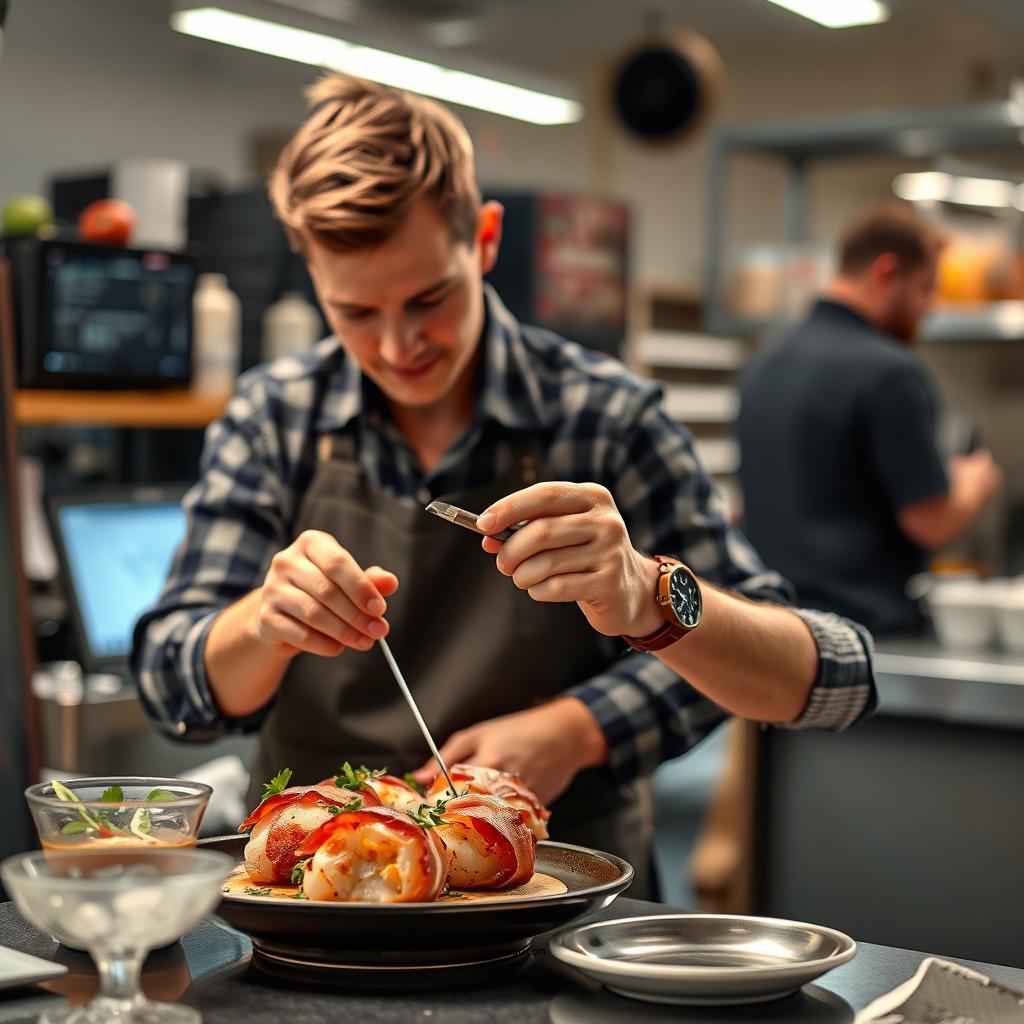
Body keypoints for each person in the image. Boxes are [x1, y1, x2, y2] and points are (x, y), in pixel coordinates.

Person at [132, 72, 876, 900]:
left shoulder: (604, 416)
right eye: (356, 312)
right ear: (311, 277)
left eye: (429, 297)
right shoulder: (274, 420)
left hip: (562, 923)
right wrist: (259, 626)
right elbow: (171, 688)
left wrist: (604, 683)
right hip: (318, 922)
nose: (398, 344)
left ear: (484, 240)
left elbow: (831, 678)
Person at [736, 203, 1002, 636]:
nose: (928, 308)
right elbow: (930, 522)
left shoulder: (764, 364)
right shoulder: (890, 372)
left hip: (775, 634)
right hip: (862, 638)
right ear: (885, 273)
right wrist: (974, 485)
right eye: (925, 287)